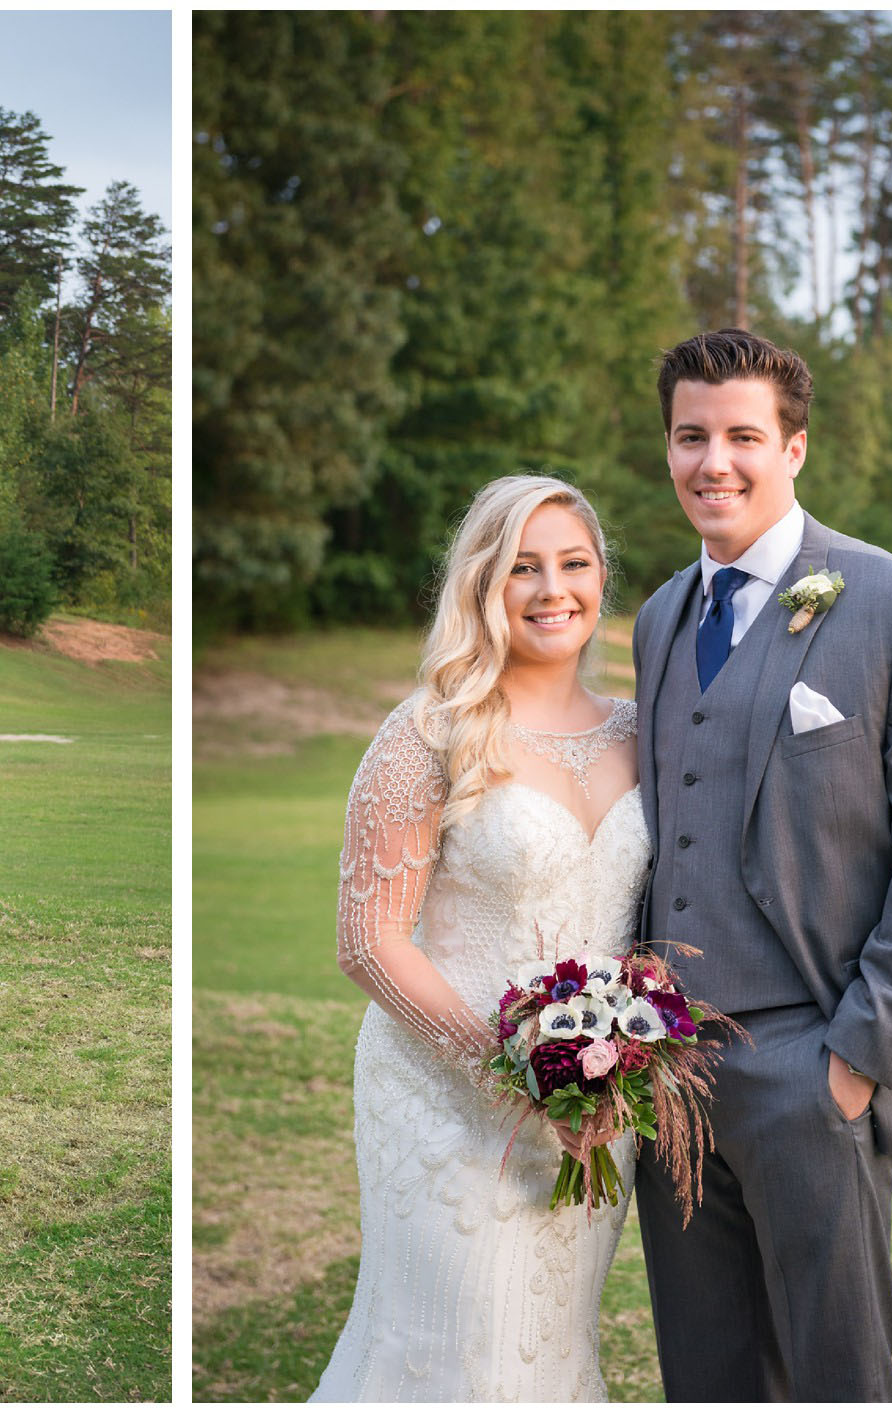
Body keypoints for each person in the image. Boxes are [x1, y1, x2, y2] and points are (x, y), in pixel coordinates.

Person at [632, 328, 892, 1400]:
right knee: (704, 1372)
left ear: (794, 448)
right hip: (669, 1076)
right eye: (689, 437)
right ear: (665, 450)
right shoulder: (658, 616)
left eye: (742, 435)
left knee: (834, 1373)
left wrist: (849, 1062)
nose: (714, 462)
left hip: (810, 1063)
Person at [311, 475, 645, 1402]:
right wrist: (516, 1073)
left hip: (599, 1114)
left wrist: (602, 1080)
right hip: (445, 1097)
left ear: (600, 578)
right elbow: (369, 942)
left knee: (550, 1341)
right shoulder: (429, 733)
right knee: (459, 1351)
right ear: (481, 587)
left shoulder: (643, 732)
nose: (551, 590)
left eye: (573, 564)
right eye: (521, 568)